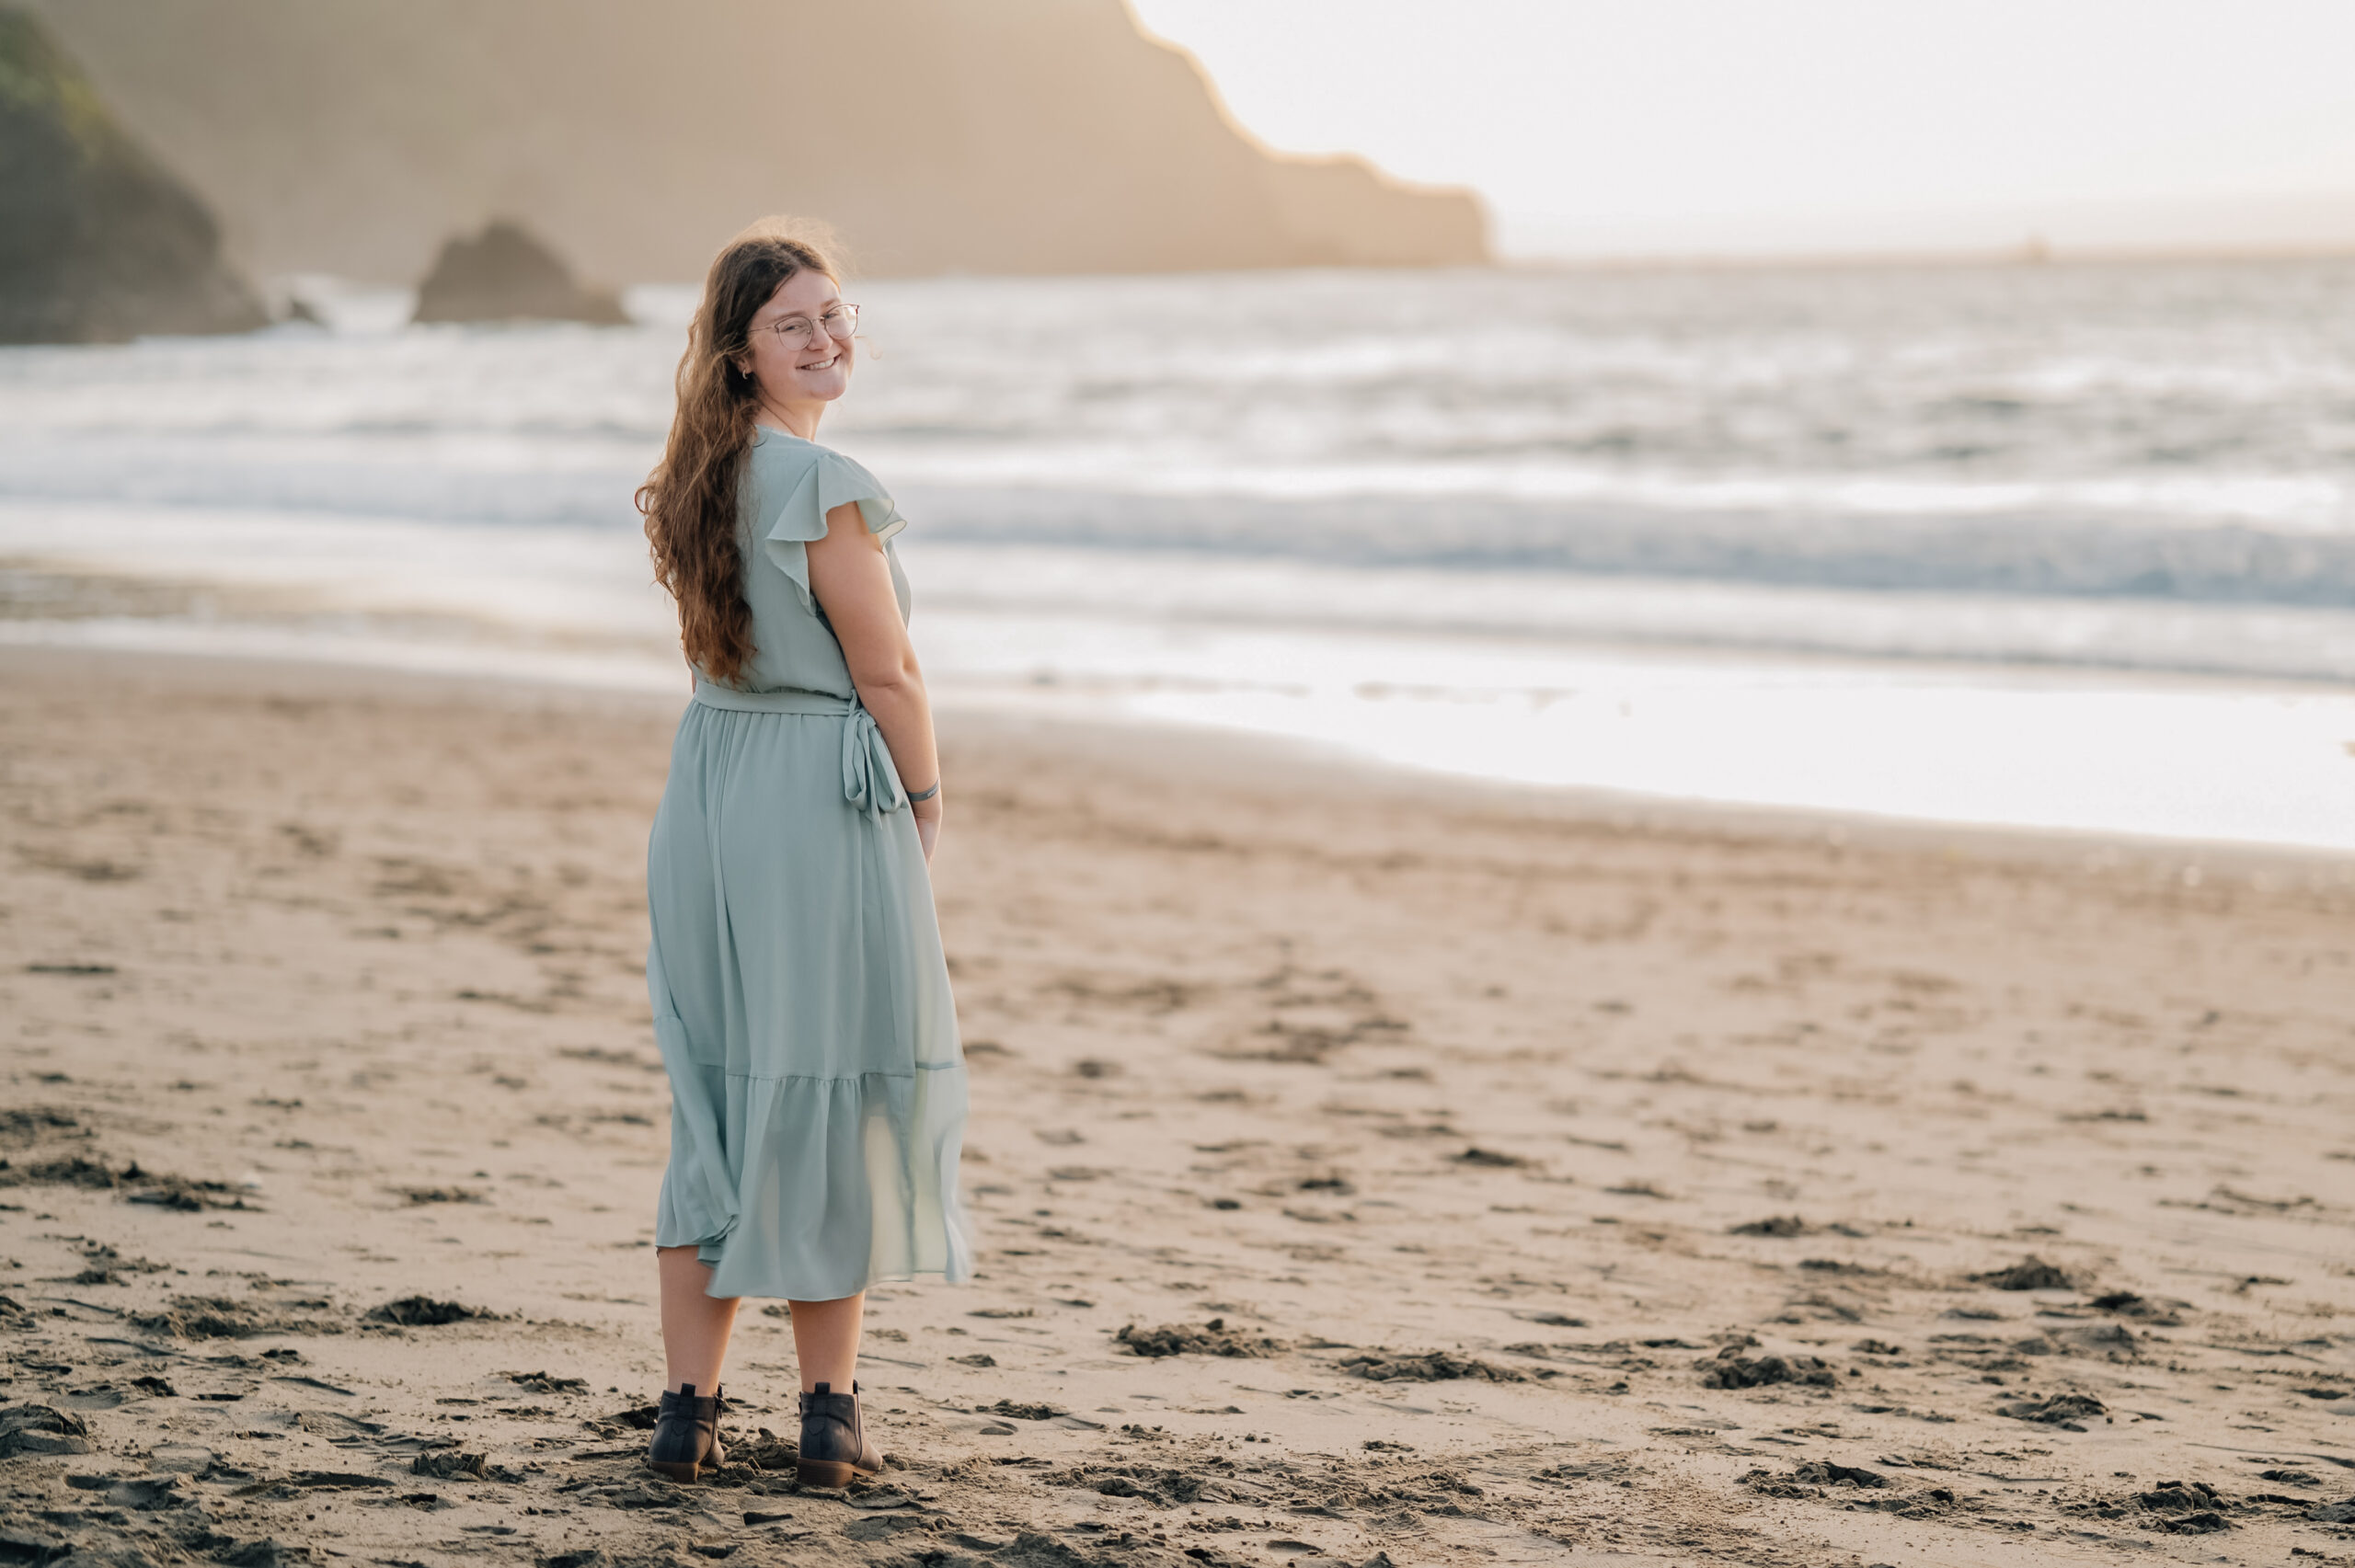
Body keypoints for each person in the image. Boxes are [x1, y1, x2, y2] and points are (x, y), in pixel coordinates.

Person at [633, 217, 971, 1485]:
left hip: (712, 784)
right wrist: (924, 796)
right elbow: (886, 670)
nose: (827, 340)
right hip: (820, 795)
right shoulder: (823, 484)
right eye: (795, 325)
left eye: (838, 317)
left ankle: (688, 1413)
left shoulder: (694, 483)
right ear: (741, 356)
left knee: (716, 1097)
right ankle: (827, 1420)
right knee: (824, 1096)